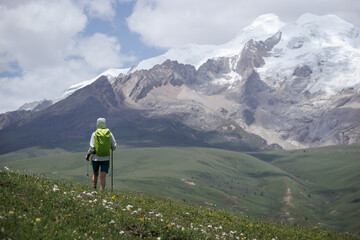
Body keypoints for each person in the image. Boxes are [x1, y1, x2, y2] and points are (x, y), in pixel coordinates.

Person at [85, 118, 116, 190]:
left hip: (95, 158)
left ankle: (94, 189)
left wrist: (88, 155)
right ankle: (102, 192)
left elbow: (92, 147)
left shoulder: (94, 133)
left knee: (95, 174)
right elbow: (114, 146)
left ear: (97, 124)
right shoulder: (109, 133)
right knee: (103, 176)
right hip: (106, 158)